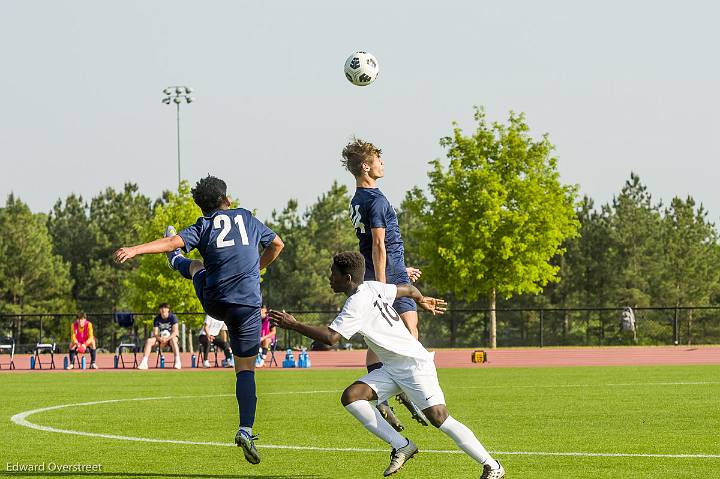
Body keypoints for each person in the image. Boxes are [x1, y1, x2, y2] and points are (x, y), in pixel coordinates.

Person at [269, 252, 505, 478]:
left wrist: (294, 324)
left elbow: (331, 338)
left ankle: (492, 466)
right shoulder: (372, 286)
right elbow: (410, 289)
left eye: (334, 273)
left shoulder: (355, 303)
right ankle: (402, 445)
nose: (330, 278)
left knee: (439, 417)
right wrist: (422, 301)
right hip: (392, 366)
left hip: (413, 365)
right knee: (352, 396)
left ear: (347, 278)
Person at [113, 175, 284, 465]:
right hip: (248, 305)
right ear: (228, 200)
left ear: (202, 208)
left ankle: (176, 262)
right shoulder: (246, 217)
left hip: (217, 300)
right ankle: (246, 428)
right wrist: (255, 267)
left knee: (195, 266)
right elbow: (277, 244)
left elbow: (170, 241)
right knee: (245, 371)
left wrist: (134, 250)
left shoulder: (204, 225)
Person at [342, 137, 427, 431]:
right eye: (378, 159)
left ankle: (390, 393)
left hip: (391, 271)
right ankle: (398, 391)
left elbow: (375, 244)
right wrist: (383, 285)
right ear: (366, 166)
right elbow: (378, 243)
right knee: (407, 331)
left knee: (390, 334)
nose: (382, 163)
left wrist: (400, 268)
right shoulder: (375, 199)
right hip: (384, 275)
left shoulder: (357, 199)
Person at [136, 303, 182, 370]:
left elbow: (175, 332)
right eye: (161, 308)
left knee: (173, 340)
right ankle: (144, 363)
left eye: (165, 308)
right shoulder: (157, 318)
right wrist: (160, 339)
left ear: (168, 309)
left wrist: (167, 339)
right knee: (149, 341)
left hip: (171, 338)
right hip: (161, 339)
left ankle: (177, 361)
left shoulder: (173, 317)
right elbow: (155, 333)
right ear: (159, 310)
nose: (163, 309)